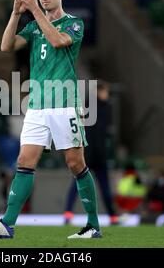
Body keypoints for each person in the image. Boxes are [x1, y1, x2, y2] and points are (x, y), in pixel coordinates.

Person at [0, 0, 102, 239]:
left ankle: (93, 225)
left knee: (74, 163)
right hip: (37, 105)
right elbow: (6, 45)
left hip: (65, 103)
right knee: (24, 160)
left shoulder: (74, 24)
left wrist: (33, 10)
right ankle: (7, 224)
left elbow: (57, 41)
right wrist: (15, 13)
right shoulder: (33, 27)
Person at [63, 81, 119, 225]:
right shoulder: (103, 109)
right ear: (100, 92)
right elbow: (102, 134)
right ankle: (113, 216)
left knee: (77, 184)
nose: (107, 95)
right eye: (105, 92)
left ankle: (68, 212)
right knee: (104, 186)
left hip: (86, 154)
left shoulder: (85, 106)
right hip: (97, 155)